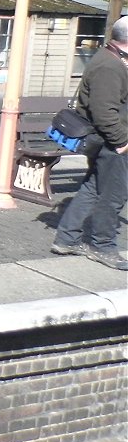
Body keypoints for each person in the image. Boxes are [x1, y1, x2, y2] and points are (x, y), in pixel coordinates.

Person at [50, 15, 128, 271]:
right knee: (113, 195)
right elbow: (105, 112)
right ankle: (102, 245)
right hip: (111, 142)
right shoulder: (110, 66)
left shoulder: (113, 60)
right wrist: (121, 142)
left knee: (92, 189)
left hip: (105, 140)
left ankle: (66, 238)